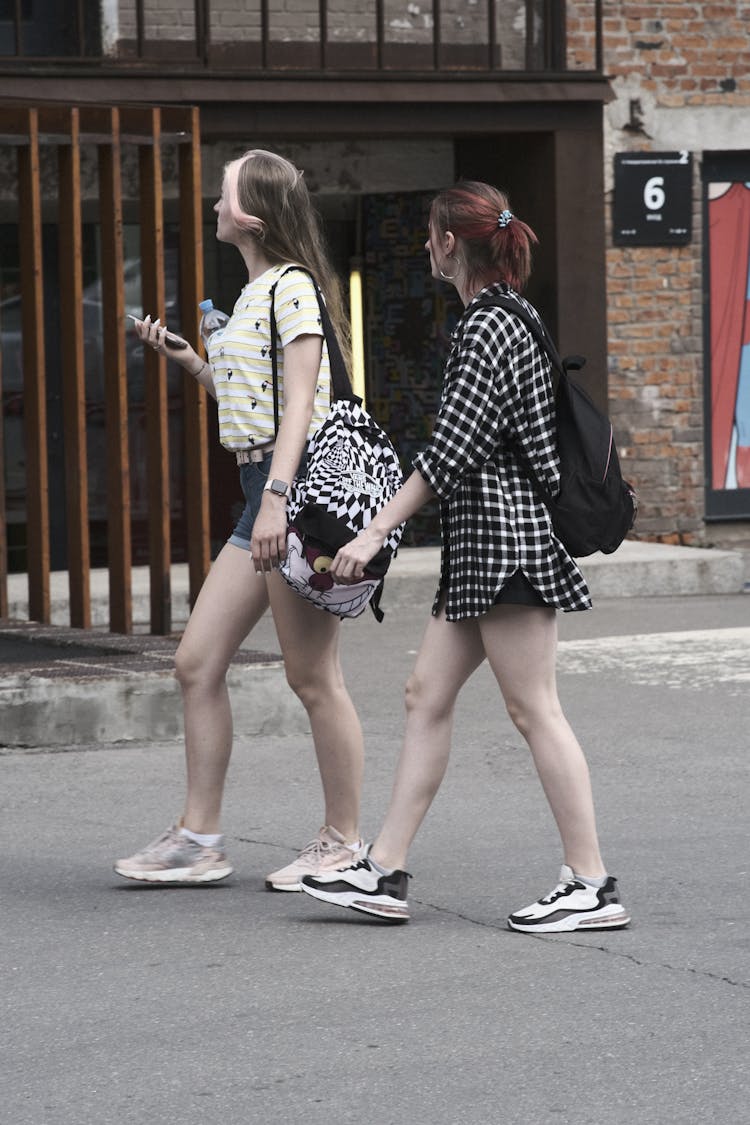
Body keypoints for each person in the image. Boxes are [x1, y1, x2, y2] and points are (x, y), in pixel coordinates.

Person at [300, 181, 630, 933]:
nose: (423, 244)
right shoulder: (507, 314)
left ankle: (591, 882)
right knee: (425, 694)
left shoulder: (490, 324)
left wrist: (371, 531)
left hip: (507, 540)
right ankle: (384, 869)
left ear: (452, 242)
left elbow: (450, 452)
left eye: (428, 233)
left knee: (534, 707)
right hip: (483, 547)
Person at [115, 149, 364, 889]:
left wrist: (279, 503)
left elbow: (301, 406)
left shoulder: (291, 288)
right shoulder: (256, 290)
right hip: (261, 489)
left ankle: (344, 841)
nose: (213, 205)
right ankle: (199, 839)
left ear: (251, 216)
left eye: (222, 195)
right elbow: (249, 404)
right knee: (196, 663)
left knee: (313, 675)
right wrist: (193, 360)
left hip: (291, 491)